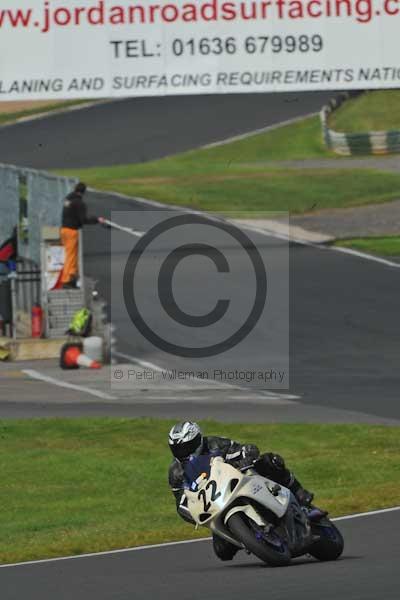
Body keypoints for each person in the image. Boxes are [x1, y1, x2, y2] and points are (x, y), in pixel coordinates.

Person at [168, 421, 315, 561]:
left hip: (239, 480)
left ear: (198, 439)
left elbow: (241, 449)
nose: (183, 452)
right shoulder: (176, 472)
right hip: (217, 503)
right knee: (222, 552)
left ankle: (298, 492)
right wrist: (192, 512)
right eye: (178, 449)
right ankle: (252, 537)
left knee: (271, 461)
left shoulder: (214, 443)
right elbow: (181, 502)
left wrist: (246, 455)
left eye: (187, 446)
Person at [60, 182, 105, 289]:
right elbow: (83, 219)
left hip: (64, 229)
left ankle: (70, 279)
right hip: (71, 231)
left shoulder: (68, 199)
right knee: (71, 256)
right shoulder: (79, 203)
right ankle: (67, 280)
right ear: (84, 192)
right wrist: (97, 220)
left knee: (69, 255)